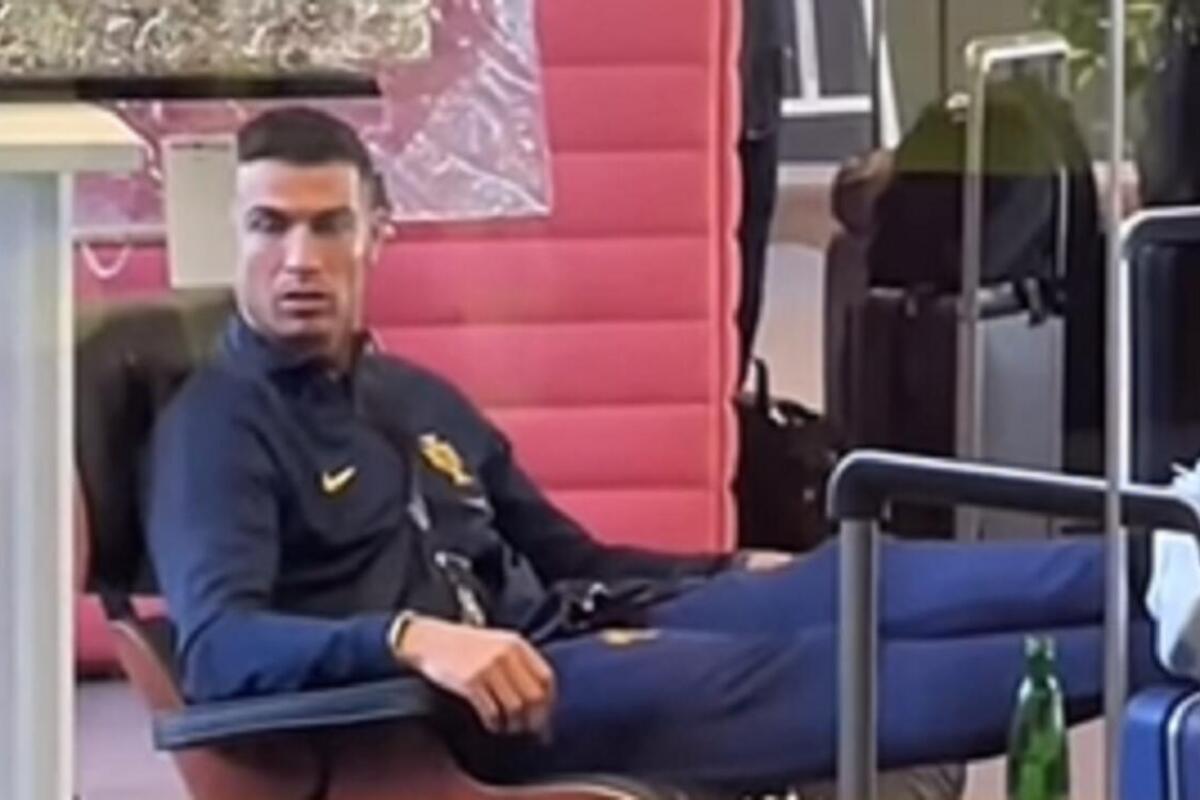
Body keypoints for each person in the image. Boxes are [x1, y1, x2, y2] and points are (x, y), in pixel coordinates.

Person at [145, 106, 1180, 792]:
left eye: (328, 226)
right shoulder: (218, 428)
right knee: (816, 664)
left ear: (378, 233)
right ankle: (1175, 639)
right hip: (461, 714)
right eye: (268, 226)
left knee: (860, 575)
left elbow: (570, 556)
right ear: (232, 235)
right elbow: (220, 648)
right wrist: (411, 639)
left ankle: (1173, 551)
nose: (298, 259)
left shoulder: (410, 396)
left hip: (576, 622)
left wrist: (721, 572)